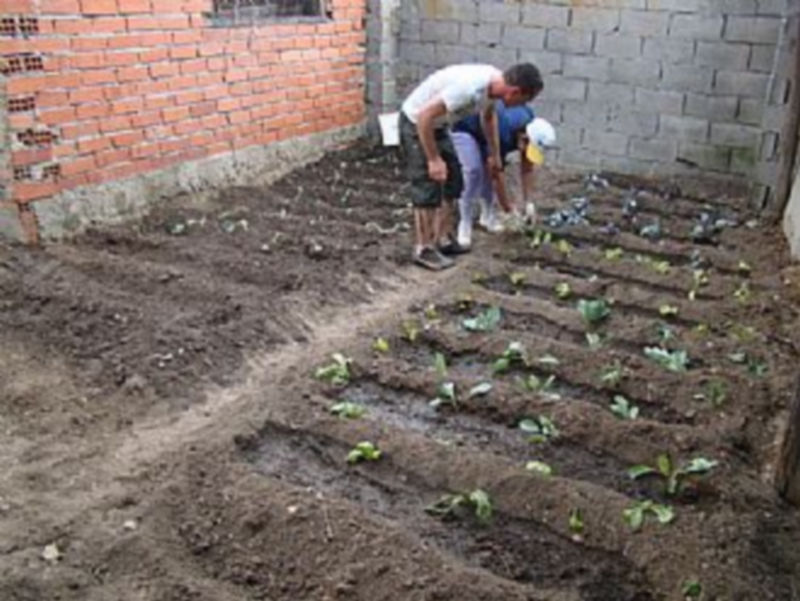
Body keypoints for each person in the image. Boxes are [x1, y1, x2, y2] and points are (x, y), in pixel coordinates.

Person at [399, 62, 543, 270]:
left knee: (454, 181)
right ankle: (424, 248)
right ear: (515, 91)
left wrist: (495, 155)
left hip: (439, 126)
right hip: (417, 124)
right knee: (427, 186)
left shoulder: (493, 88)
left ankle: (443, 239)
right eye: (525, 99)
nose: (522, 105)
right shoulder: (468, 89)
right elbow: (424, 116)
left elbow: (488, 116)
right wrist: (433, 159)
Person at [451, 102, 555, 249]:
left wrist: (528, 202)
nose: (525, 151)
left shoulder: (529, 124)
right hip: (467, 130)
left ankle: (488, 217)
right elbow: (496, 173)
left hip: (488, 135)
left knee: (489, 170)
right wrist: (508, 209)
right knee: (474, 172)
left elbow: (527, 169)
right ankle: (465, 222)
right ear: (524, 137)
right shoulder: (504, 131)